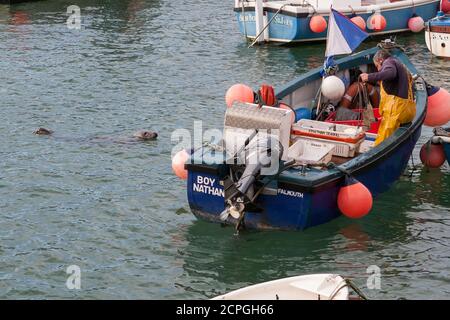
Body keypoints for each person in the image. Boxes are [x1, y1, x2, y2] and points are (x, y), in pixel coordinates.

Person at [360, 50, 416, 146]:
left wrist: (369, 77)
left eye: (377, 66)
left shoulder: (389, 62)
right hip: (408, 111)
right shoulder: (398, 63)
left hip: (397, 111)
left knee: (382, 142)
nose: (378, 70)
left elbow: (390, 73)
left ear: (380, 60)